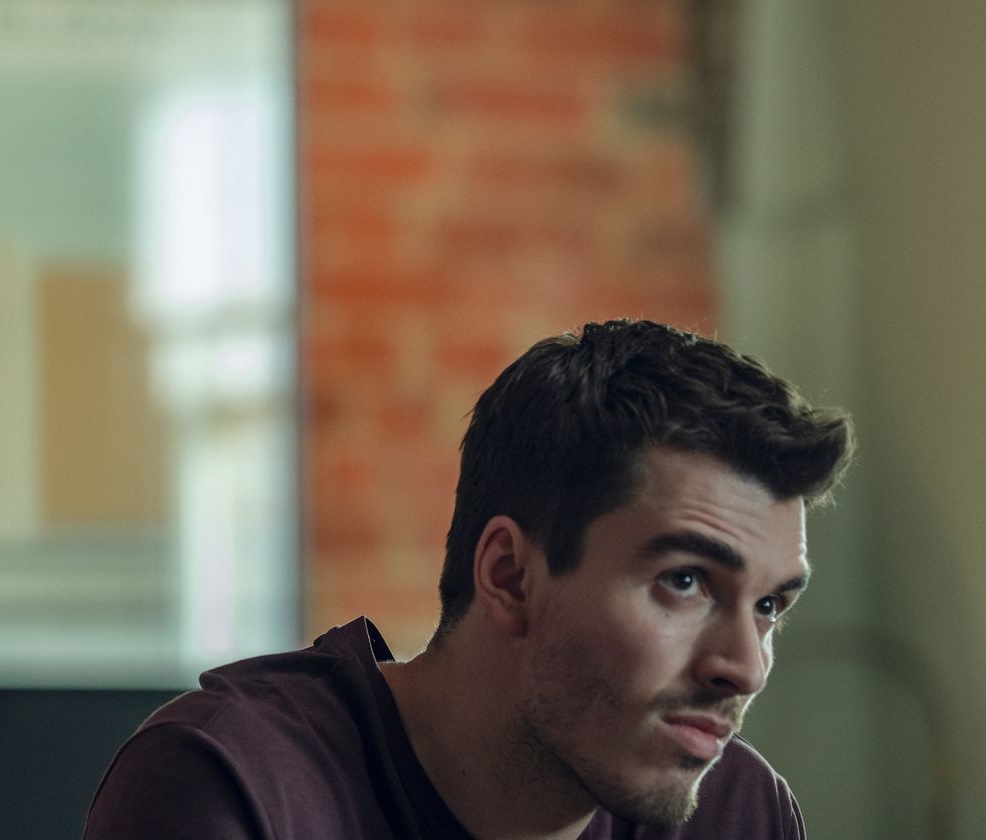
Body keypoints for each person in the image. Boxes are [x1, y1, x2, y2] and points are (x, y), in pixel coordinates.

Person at [85, 320, 853, 839]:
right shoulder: (238, 789)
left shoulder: (737, 813)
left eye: (768, 606)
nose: (745, 666)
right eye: (685, 582)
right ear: (510, 576)